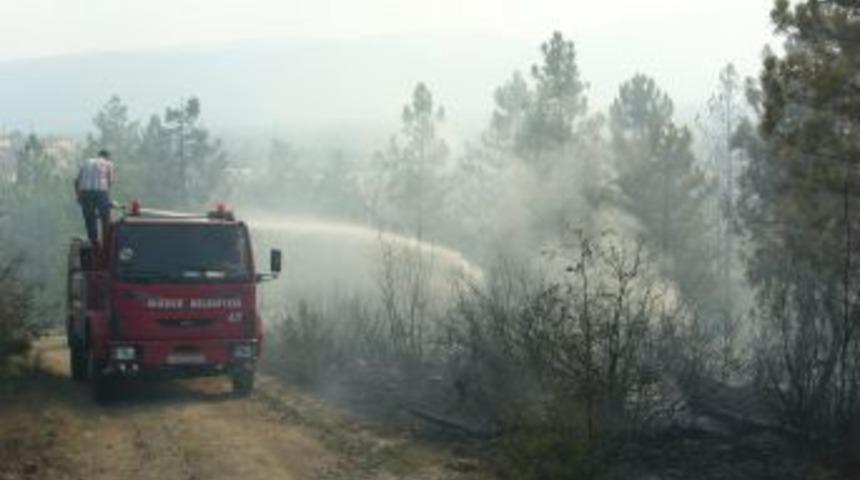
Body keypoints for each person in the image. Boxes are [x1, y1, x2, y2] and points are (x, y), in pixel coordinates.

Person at [75, 149, 115, 245]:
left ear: (98, 155)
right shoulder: (108, 163)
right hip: (101, 192)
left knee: (89, 217)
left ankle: (94, 242)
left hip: (86, 192)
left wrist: (78, 196)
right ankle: (107, 241)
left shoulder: (86, 162)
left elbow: (76, 181)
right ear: (107, 157)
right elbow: (110, 181)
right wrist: (106, 198)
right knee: (105, 217)